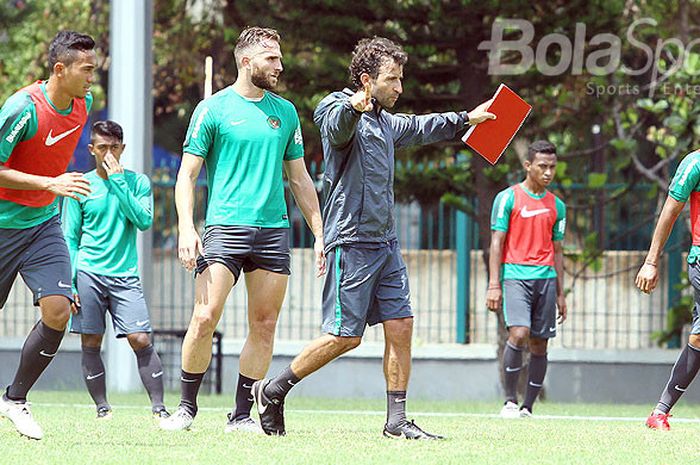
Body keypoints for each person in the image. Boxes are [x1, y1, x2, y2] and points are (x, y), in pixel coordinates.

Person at [251, 36, 495, 439]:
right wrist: (353, 106)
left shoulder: (385, 120)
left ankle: (396, 422)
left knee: (401, 325)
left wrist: (467, 118)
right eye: (392, 79)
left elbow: (420, 127)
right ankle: (274, 389)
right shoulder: (336, 107)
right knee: (344, 336)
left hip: (386, 244)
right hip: (351, 243)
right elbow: (335, 125)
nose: (400, 87)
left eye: (401, 79)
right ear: (367, 80)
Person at [160, 26, 324, 432]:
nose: (280, 66)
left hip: (272, 231)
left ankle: (240, 415)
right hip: (224, 227)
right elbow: (187, 175)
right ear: (247, 61)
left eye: (280, 58)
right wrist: (186, 227)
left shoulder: (284, 113)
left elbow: (300, 179)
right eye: (272, 58)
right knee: (204, 317)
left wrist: (320, 233)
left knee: (264, 324)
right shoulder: (212, 110)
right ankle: (186, 408)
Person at [0, 30, 95, 440]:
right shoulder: (22, 107)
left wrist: (48, 191)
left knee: (58, 310)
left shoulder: (83, 105)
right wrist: (48, 183)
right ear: (60, 69)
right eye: (87, 69)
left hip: (42, 226)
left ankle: (15, 399)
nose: (93, 77)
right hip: (3, 224)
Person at [62, 120, 169, 420]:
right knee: (91, 341)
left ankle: (159, 408)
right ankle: (102, 408)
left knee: (141, 339)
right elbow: (70, 237)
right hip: (88, 273)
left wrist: (119, 181)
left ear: (123, 148)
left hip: (124, 275)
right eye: (102, 147)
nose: (108, 153)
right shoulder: (80, 185)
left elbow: (143, 221)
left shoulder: (138, 182)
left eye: (114, 147)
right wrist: (69, 282)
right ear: (91, 149)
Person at [486, 140, 567, 418]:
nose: (548, 172)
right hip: (515, 276)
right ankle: (509, 400)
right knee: (519, 333)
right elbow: (496, 242)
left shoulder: (557, 206)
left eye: (552, 167)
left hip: (545, 277)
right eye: (542, 166)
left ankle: (528, 407)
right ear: (528, 165)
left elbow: (558, 250)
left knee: (539, 342)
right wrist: (494, 284)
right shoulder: (508, 198)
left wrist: (560, 293)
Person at [637, 149, 700, 431]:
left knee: (699, 338)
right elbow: (670, 213)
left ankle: (660, 411)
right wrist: (651, 261)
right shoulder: (695, 163)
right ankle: (660, 411)